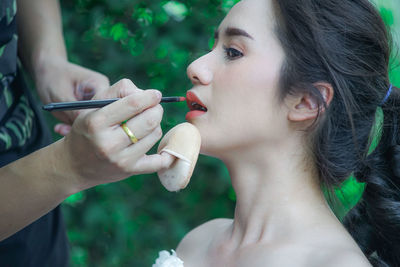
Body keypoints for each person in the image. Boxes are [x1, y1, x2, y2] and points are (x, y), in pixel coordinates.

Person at [156, 0, 399, 266]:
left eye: (233, 52)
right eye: (212, 47)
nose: (195, 67)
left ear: (306, 102)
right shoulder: (198, 242)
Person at [0, 0, 173, 266]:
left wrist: (49, 60)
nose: (196, 69)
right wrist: (68, 164)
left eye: (232, 51)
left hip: (27, 155)